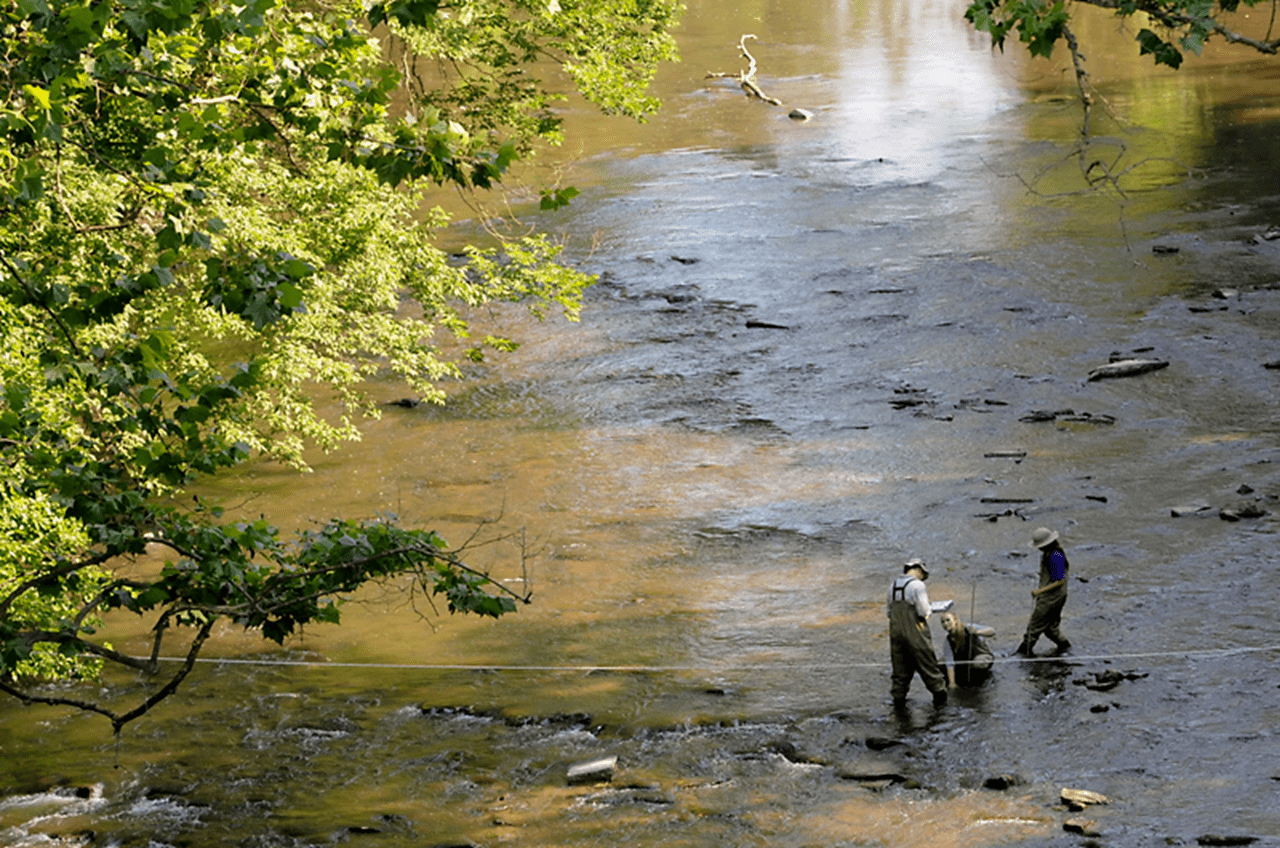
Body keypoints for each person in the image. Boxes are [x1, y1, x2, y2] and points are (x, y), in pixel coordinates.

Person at [886, 558, 948, 708]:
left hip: (896, 635)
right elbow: (924, 612)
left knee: (900, 671)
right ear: (918, 570)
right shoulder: (917, 585)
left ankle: (898, 706)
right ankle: (941, 705)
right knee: (929, 666)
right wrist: (931, 609)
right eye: (923, 575)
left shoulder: (892, 586)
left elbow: (889, 613)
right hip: (916, 634)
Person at [1014, 527, 1072, 656]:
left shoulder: (1055, 556)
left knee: (1034, 627)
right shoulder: (1050, 553)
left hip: (1051, 597)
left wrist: (1039, 591)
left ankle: (1022, 653)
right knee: (1051, 628)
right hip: (1057, 596)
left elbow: (1059, 581)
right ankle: (1066, 648)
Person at [939, 611, 995, 688]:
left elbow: (992, 631)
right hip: (965, 663)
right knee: (940, 663)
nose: (945, 623)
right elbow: (949, 663)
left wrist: (977, 632)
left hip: (981, 656)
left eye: (948, 620)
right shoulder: (947, 642)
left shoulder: (968, 627)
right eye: (943, 622)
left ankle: (981, 679)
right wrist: (952, 683)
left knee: (977, 664)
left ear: (955, 620)